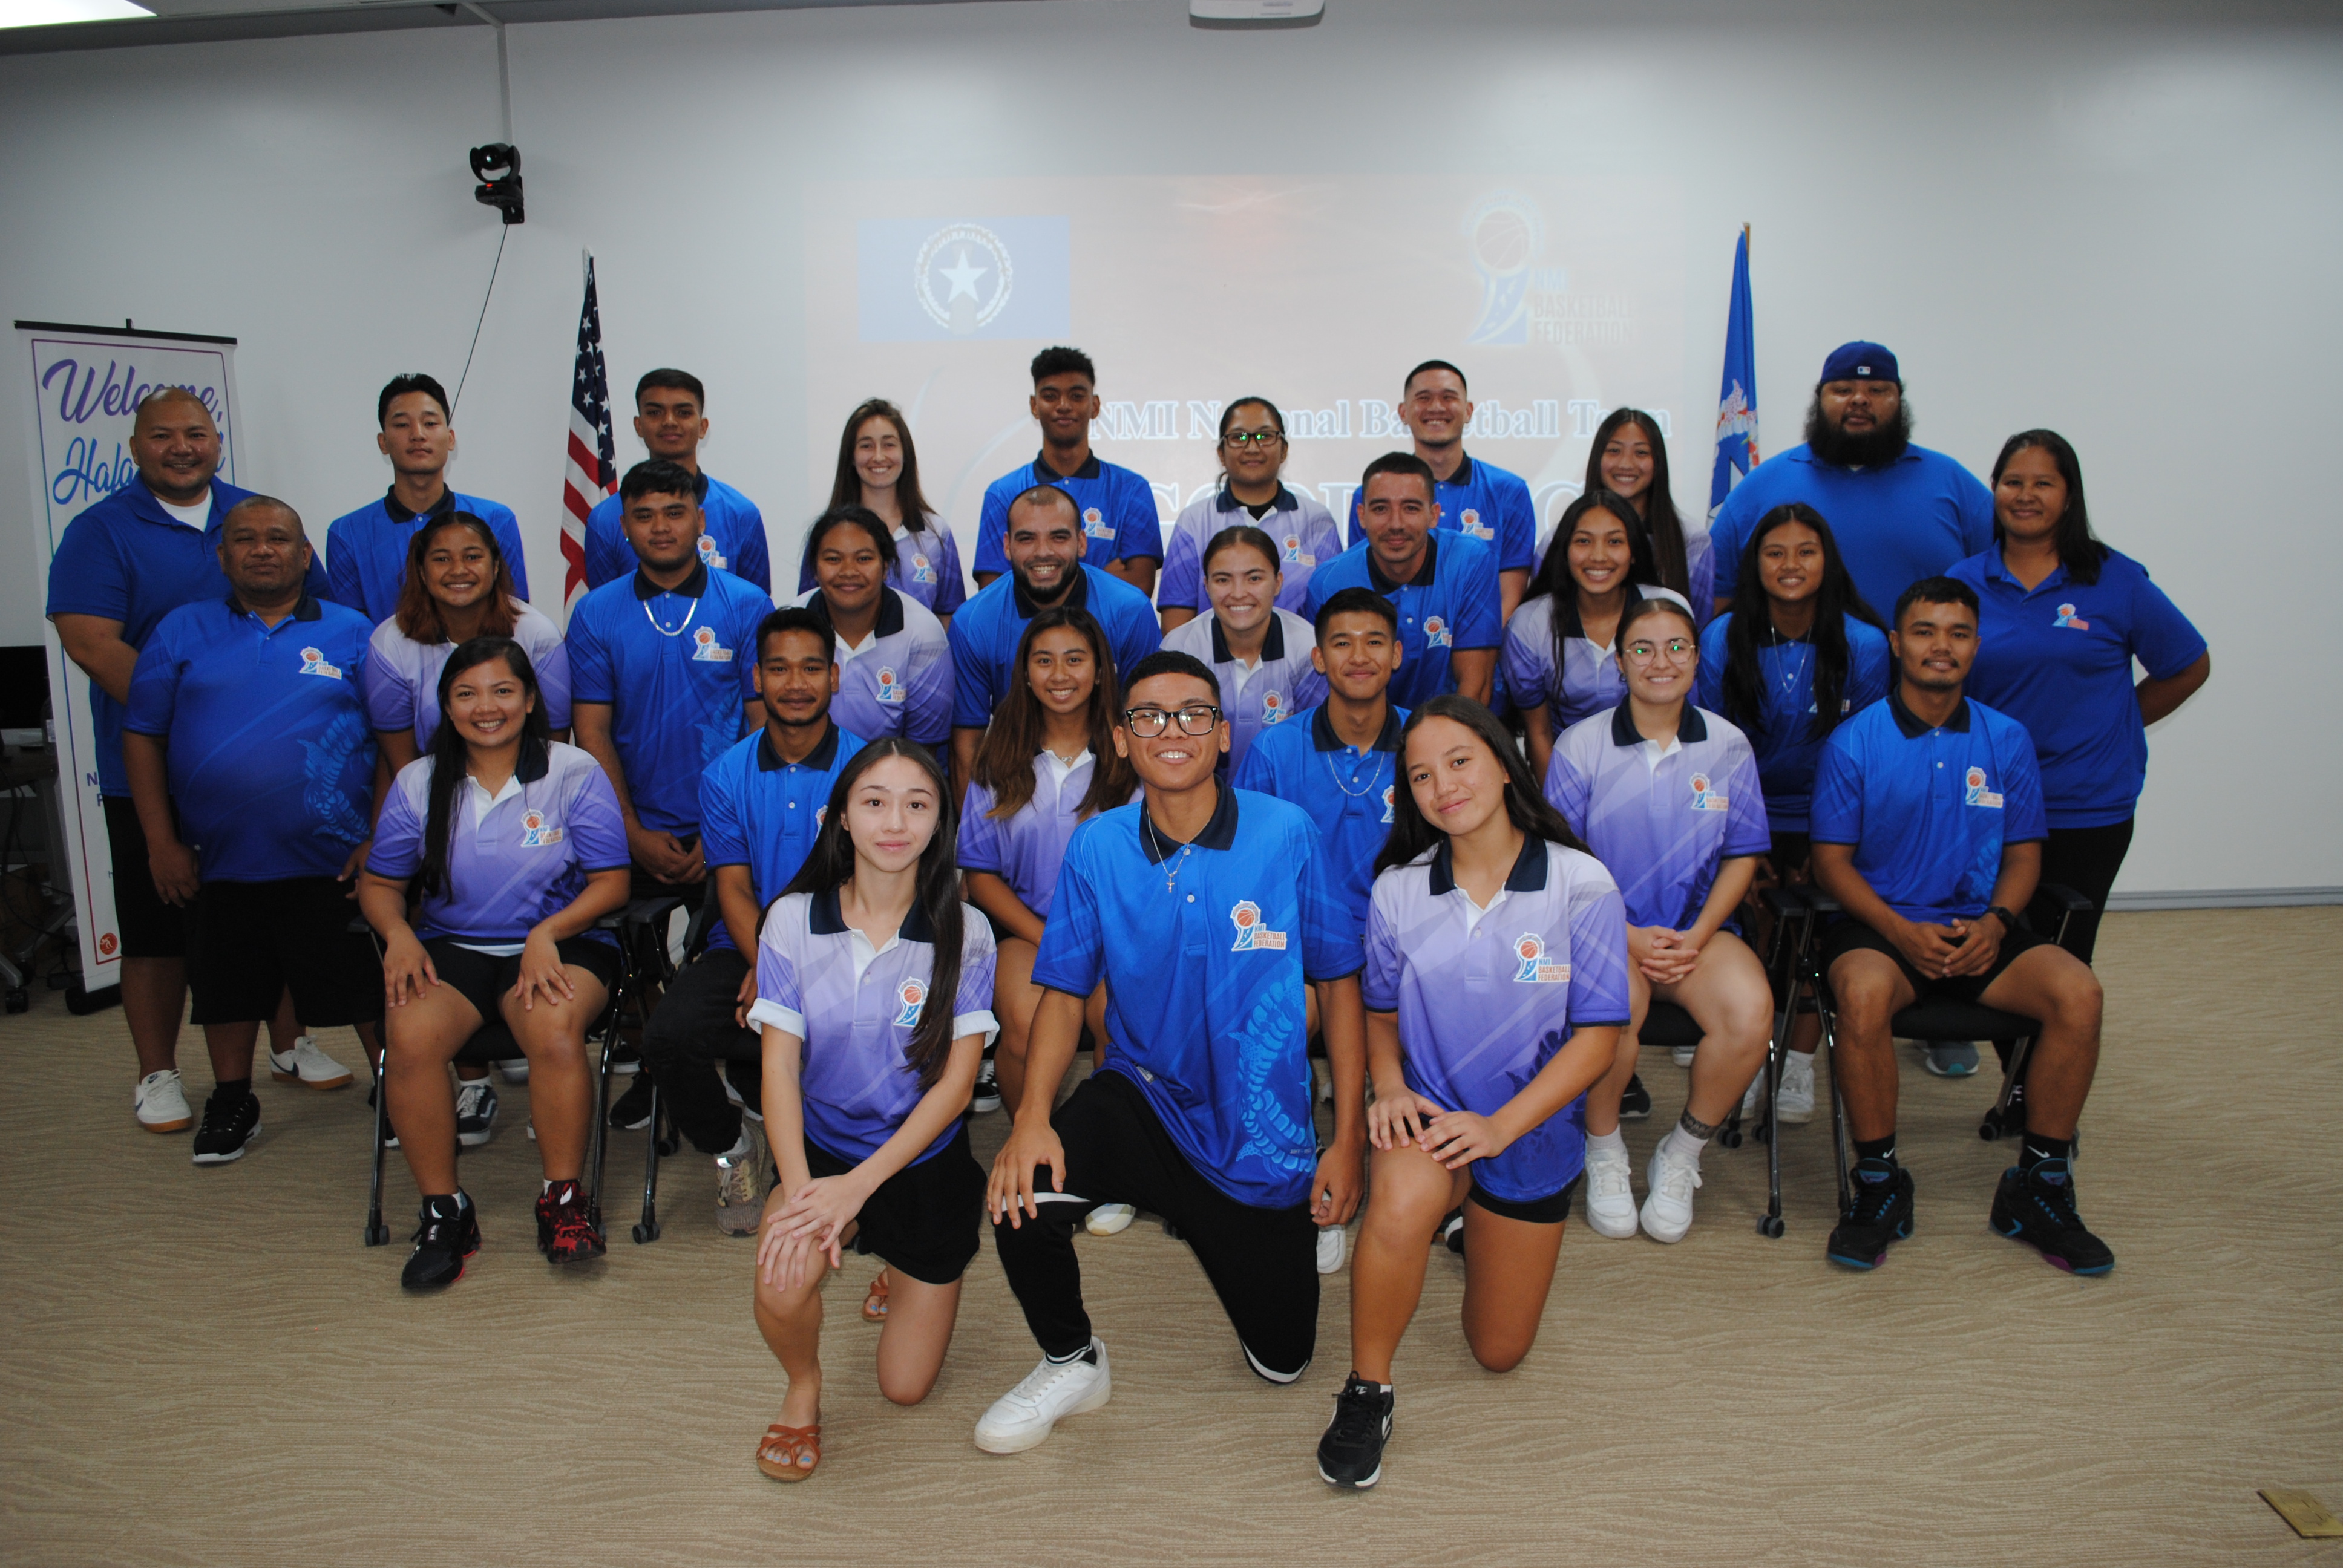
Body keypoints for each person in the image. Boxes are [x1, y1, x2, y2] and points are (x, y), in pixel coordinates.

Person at [977, 651, 1368, 1455]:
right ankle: (1072, 1360)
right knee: (1020, 1198)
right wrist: (1031, 1118)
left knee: (1285, 1363)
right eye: (1148, 716)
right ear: (1122, 740)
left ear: (1223, 735)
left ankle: (1256, 1230)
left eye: (1193, 713)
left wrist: (1348, 1141)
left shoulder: (1287, 832)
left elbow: (1338, 986)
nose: (1171, 730)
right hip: (1143, 1098)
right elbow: (1062, 993)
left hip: (1255, 1132)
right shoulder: (1096, 846)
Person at [1316, 697, 1628, 1489]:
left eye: (1459, 762)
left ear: (1504, 763)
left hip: (1529, 1131)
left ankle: (1467, 1221)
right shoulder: (1397, 890)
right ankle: (1367, 1390)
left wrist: (1498, 1129)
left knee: (1497, 1351)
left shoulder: (1580, 882)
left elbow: (1598, 1038)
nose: (1443, 786)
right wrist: (1388, 1086)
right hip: (1430, 1115)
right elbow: (1379, 1013)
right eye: (1421, 775)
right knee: (1398, 1204)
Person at [47, 387, 335, 1137]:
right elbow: (90, 642)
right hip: (151, 768)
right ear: (135, 447)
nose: (182, 448)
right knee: (158, 928)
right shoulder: (100, 530)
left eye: (197, 434)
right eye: (163, 435)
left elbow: (318, 615)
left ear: (216, 443)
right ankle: (158, 1072)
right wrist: (198, 720)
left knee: (273, 908)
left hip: (272, 771)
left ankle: (289, 1044)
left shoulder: (254, 516)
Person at [1809, 577, 2111, 1275]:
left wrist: (1998, 924)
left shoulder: (2006, 738)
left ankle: (2037, 1186)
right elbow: (1829, 863)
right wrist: (1898, 931)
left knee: (2079, 993)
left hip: (1981, 928)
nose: (1939, 646)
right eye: (1923, 631)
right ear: (1896, 643)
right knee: (1859, 995)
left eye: (1956, 632)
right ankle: (1879, 1184)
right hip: (1884, 928)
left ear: (1976, 645)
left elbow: (2024, 855)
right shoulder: (1854, 742)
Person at [747, 740, 998, 1483]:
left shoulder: (967, 930)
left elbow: (955, 1090)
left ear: (939, 822)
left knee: (904, 1388)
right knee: (781, 1278)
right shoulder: (791, 920)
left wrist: (857, 1192)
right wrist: (803, 1197)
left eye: (917, 805)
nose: (895, 823)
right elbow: (777, 1069)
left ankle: (895, 1265)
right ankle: (802, 1388)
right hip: (822, 1152)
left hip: (922, 1161)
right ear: (840, 819)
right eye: (874, 802)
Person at [359, 638, 632, 1289]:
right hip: (452, 945)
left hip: (562, 940)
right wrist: (397, 935)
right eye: (467, 694)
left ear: (530, 700)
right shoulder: (419, 781)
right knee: (409, 1036)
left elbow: (612, 883)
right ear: (447, 708)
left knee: (553, 1027)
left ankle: (562, 1201)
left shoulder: (571, 771)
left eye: (503, 691)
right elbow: (380, 883)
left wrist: (548, 930)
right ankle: (445, 1211)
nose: (487, 707)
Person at [120, 497, 382, 1165]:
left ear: (305, 555)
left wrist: (379, 838)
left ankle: (398, 1086)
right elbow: (144, 736)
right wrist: (160, 843)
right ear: (223, 556)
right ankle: (233, 1099)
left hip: (333, 857)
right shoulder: (181, 630)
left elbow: (392, 742)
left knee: (366, 982)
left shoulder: (354, 632)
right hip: (219, 858)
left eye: (278, 538)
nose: (262, 550)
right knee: (226, 985)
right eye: (245, 539)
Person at [630, 607, 867, 1232]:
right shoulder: (725, 775)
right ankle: (732, 1144)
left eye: (811, 668)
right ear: (757, 679)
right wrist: (770, 964)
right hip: (745, 947)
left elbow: (870, 888)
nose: (796, 684)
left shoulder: (870, 769)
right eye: (779, 669)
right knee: (667, 1038)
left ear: (834, 677)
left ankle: (837, 1160)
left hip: (844, 945)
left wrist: (793, 966)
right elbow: (732, 885)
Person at [1544, 597, 1772, 1242]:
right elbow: (1560, 862)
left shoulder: (1727, 745)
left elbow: (1742, 855)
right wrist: (1627, 936)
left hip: (1698, 933)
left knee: (1750, 1012)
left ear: (1697, 660)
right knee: (1614, 1008)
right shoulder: (1581, 745)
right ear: (1619, 663)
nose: (1660, 661)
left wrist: (1697, 935)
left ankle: (1682, 1152)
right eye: (1642, 648)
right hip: (1604, 933)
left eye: (1677, 647)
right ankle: (1604, 1146)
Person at [1948, 430, 2209, 964]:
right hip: (1988, 801)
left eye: (2044, 483)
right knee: (1985, 949)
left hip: (2086, 803)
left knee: (2064, 956)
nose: (2026, 495)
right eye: (2013, 482)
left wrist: (2120, 720)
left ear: (2070, 496)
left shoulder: (2118, 580)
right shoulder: (1962, 582)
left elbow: (2188, 665)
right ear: (1994, 490)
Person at [1697, 503, 1888, 1121]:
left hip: (1830, 821)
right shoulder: (1721, 639)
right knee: (1753, 937)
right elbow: (1710, 752)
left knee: (1814, 939)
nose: (1790, 564)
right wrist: (1743, 846)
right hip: (1742, 817)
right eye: (1774, 552)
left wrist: (1827, 847)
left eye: (1806, 551)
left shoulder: (1863, 644)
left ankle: (1798, 1065)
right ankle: (1754, 1053)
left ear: (1828, 560)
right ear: (1754, 564)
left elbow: (1862, 754)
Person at [567, 459, 773, 902]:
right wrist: (631, 832)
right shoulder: (593, 613)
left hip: (733, 825)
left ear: (701, 520)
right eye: (644, 516)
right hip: (631, 831)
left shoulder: (748, 604)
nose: (660, 527)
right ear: (624, 527)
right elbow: (591, 731)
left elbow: (762, 723)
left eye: (675, 513)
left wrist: (724, 826)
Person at [960, 607, 1136, 1120]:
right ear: (1025, 673)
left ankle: (1105, 1148)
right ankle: (1031, 1137)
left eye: (1075, 659)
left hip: (1117, 933)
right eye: (1044, 661)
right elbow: (981, 876)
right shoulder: (999, 757)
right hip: (1028, 931)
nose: (1060, 675)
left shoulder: (1131, 752)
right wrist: (1049, 938)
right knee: (1024, 1022)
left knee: (1117, 1025)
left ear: (1100, 671)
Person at [1708, 342, 1993, 622]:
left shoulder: (1953, 483)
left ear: (1900, 400)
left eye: (1877, 390)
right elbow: (1718, 597)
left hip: (1929, 654)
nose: (1859, 400)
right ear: (1819, 399)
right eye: (1843, 390)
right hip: (1791, 656)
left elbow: (2001, 581)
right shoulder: (1760, 487)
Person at [1233, 588, 1408, 972]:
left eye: (1374, 642)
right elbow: (1246, 864)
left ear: (1396, 655)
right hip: (1301, 950)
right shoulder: (1274, 750)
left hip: (1406, 944)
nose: (1359, 657)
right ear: (1319, 658)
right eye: (1342, 643)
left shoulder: (1427, 741)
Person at [948, 485, 1159, 792]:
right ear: (1006, 546)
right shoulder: (973, 622)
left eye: (1058, 537)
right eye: (1026, 539)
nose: (1043, 552)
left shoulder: (1130, 610)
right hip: (1015, 786)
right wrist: (975, 823)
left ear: (1082, 542)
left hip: (1114, 784)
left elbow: (1148, 721)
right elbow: (968, 742)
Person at [1506, 490, 1695, 782]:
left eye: (1615, 541)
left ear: (1634, 551)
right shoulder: (1531, 624)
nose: (1598, 556)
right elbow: (1538, 733)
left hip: (1659, 769)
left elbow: (1683, 715)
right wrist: (1555, 807)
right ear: (1564, 550)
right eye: (1584, 541)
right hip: (1570, 770)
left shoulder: (1668, 610)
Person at [367, 512, 571, 773]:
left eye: (473, 557)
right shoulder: (389, 643)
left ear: (495, 566)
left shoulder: (539, 635)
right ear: (421, 571)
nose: (458, 570)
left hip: (527, 786)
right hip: (431, 788)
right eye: (442, 559)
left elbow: (552, 747)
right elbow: (404, 767)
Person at [324, 373, 529, 624]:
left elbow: (515, 616)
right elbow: (351, 631)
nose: (418, 435)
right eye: (402, 425)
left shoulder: (496, 520)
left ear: (450, 438)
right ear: (383, 442)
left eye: (430, 423)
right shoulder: (347, 533)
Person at [1346, 361, 1537, 622]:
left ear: (1468, 411)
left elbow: (1510, 596)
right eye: (1424, 398)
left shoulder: (1509, 491)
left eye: (1449, 397)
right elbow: (1363, 588)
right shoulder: (1370, 495)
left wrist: (1474, 643)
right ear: (1403, 412)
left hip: (1481, 646)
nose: (1436, 407)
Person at [1305, 454, 1499, 710]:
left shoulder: (1469, 561)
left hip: (1450, 725)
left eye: (1411, 508)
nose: (1396, 524)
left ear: (1434, 515)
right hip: (1367, 729)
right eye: (1381, 509)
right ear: (1362, 515)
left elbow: (1475, 686)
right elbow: (1329, 689)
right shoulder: (1328, 583)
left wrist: (1436, 738)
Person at [972, 347, 1162, 597]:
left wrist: (1042, 582)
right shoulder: (1002, 493)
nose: (1063, 406)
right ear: (1034, 406)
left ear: (1094, 406)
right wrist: (1102, 577)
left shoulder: (1131, 489)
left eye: (1077, 396)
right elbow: (993, 594)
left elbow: (1140, 586)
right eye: (1051, 396)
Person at [583, 369, 772, 594]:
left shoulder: (741, 514)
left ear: (703, 427)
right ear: (639, 425)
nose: (669, 422)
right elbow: (603, 607)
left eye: (683, 412)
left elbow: (756, 608)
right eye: (655, 412)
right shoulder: (605, 520)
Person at [1159, 399, 1342, 632]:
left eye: (1265, 436)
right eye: (1239, 437)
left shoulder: (1317, 521)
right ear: (1221, 453)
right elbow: (1176, 628)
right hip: (1209, 656)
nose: (1252, 448)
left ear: (1284, 450)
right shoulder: (1194, 522)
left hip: (1303, 655)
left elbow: (1337, 614)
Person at [1160, 526, 1325, 776]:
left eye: (1254, 578)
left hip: (1283, 790)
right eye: (1223, 580)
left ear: (1278, 583)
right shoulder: (1181, 647)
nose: (1238, 594)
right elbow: (1172, 742)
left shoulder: (1308, 648)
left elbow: (1313, 747)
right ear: (1206, 585)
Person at [791, 506, 953, 750]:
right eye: (833, 559)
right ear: (814, 568)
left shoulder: (923, 633)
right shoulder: (790, 627)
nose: (848, 571)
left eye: (864, 559)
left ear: (886, 566)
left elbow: (923, 749)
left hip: (895, 770)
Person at [801, 398, 966, 623]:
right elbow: (807, 614)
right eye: (866, 446)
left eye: (889, 445)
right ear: (851, 456)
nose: (878, 457)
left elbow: (949, 616)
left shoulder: (936, 532)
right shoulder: (827, 534)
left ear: (905, 453)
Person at [1583, 407, 1712, 627]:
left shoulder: (1692, 540)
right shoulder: (1561, 536)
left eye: (1641, 453)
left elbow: (1698, 629)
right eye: (1614, 451)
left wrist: (1670, 646)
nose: (1626, 464)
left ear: (1658, 462)